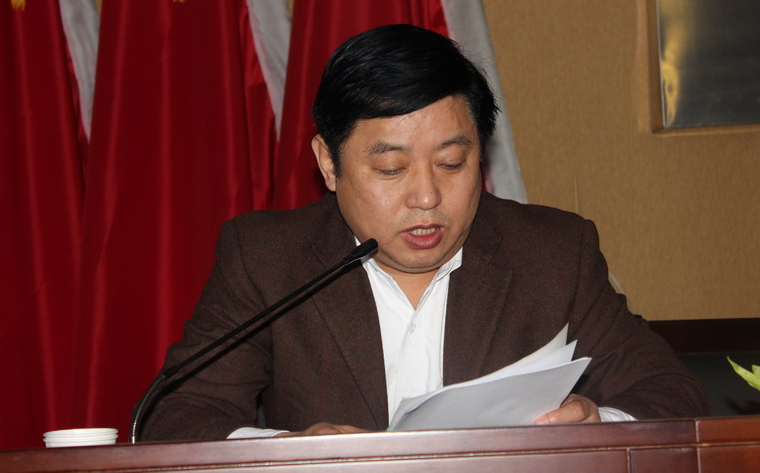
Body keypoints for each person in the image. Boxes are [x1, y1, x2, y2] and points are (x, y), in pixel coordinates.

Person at [138, 24, 708, 441]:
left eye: (452, 163)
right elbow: (175, 415)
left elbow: (672, 394)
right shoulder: (266, 258)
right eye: (391, 169)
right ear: (328, 163)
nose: (427, 197)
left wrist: (599, 423)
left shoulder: (553, 252)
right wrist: (292, 453)